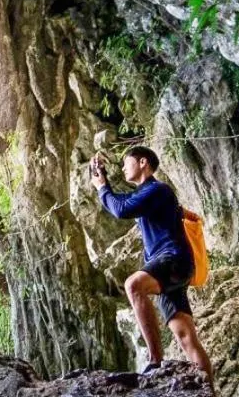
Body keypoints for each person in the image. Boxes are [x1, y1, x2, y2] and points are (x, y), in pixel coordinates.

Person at [91, 145, 213, 381]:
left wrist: (103, 188)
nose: (124, 167)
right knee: (186, 336)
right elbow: (117, 202)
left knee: (133, 285)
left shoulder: (158, 190)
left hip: (173, 259)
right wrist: (101, 180)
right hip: (173, 268)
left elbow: (122, 210)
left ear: (143, 162)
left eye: (127, 162)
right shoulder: (147, 194)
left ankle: (155, 360)